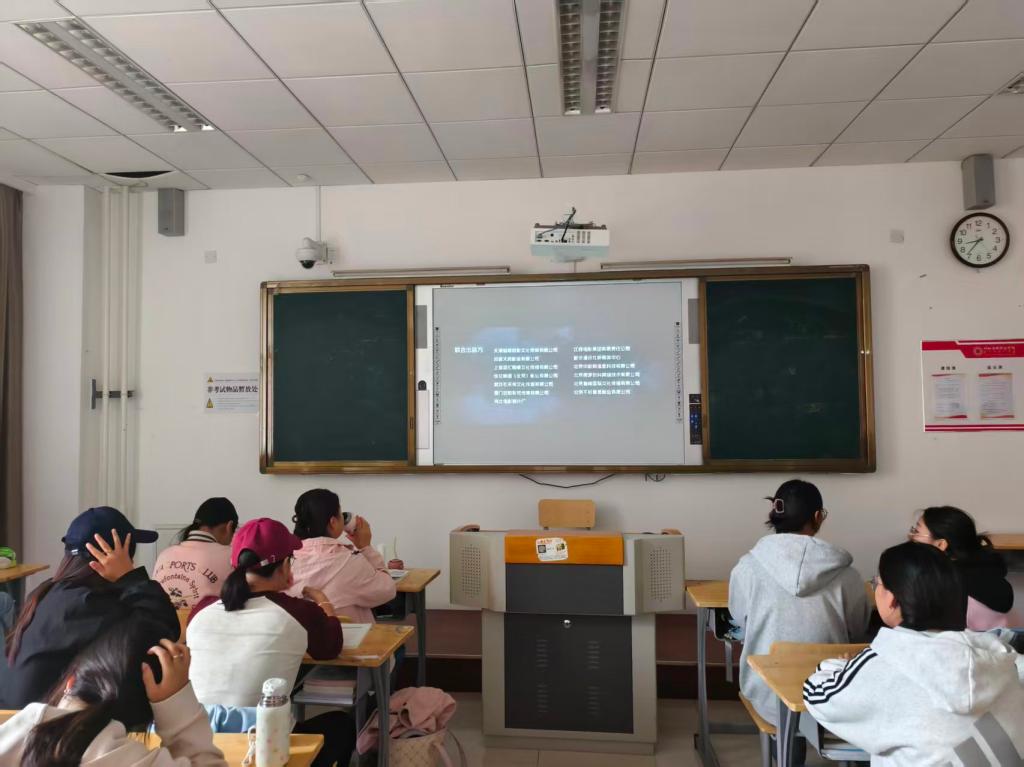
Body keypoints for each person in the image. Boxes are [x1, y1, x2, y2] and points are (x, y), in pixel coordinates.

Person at [804, 542, 1024, 766]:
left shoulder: (885, 665)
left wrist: (841, 667)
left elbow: (818, 695)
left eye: (877, 583)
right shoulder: (999, 656)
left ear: (892, 599)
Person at [187, 518, 355, 767]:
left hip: (196, 743)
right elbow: (331, 646)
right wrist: (323, 602)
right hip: (261, 746)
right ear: (286, 565)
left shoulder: (201, 609)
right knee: (342, 725)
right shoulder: (299, 612)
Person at [0, 507, 178, 708]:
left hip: (15, 719)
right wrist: (130, 578)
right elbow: (163, 636)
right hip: (44, 723)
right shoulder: (92, 604)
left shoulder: (47, 592)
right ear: (117, 556)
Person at [729, 480, 870, 729]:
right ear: (817, 517)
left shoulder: (747, 567)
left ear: (775, 513)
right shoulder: (848, 576)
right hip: (831, 697)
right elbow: (857, 630)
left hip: (767, 697)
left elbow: (739, 619)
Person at [0, 616, 226, 766]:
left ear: (71, 680)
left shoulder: (23, 728)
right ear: (143, 719)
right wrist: (176, 702)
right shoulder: (133, 760)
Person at [287, 489, 396, 623]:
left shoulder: (285, 562)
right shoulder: (349, 562)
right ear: (333, 522)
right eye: (340, 514)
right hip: (347, 635)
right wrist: (365, 547)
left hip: (303, 635)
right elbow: (387, 590)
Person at [909, 506, 1015, 630]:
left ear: (941, 544)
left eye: (916, 531)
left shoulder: (945, 584)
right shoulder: (985, 569)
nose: (911, 536)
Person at [154, 498, 239, 609]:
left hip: (161, 620)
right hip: (206, 620)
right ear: (229, 526)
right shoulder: (231, 556)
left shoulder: (164, 555)